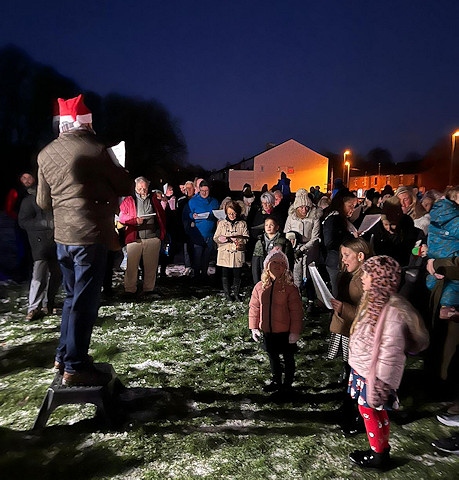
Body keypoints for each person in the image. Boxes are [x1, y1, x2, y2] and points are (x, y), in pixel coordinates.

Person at [37, 94, 133, 386]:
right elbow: (125, 184)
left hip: (63, 237)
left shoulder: (45, 153)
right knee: (85, 303)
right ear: (86, 125)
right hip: (90, 235)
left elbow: (43, 201)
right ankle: (75, 367)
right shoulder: (95, 150)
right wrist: (116, 163)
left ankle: (63, 355)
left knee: (71, 299)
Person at [347, 255, 429, 469]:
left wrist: (382, 382)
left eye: (367, 274)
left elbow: (389, 352)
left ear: (379, 279)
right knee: (376, 412)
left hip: (374, 376)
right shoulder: (373, 300)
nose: (362, 277)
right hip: (365, 369)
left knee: (369, 412)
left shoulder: (391, 312)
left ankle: (378, 455)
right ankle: (381, 449)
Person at [327, 237, 372, 434]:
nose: (343, 260)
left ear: (361, 256)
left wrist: (343, 308)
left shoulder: (366, 279)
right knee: (348, 371)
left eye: (347, 255)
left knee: (358, 376)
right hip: (346, 331)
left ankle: (358, 415)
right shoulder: (349, 274)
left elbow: (368, 314)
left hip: (358, 335)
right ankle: (347, 408)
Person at [249, 248, 303, 392]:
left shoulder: (290, 289)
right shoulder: (260, 287)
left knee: (288, 358)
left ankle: (287, 384)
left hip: (285, 332)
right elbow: (254, 308)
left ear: (286, 267)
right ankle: (276, 380)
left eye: (281, 263)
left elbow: (296, 312)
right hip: (268, 330)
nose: (277, 266)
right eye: (274, 262)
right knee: (273, 358)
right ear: (267, 266)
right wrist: (254, 327)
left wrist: (295, 332)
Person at [18, 179, 62, 320]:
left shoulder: (55, 200)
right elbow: (23, 221)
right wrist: (45, 223)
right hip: (40, 244)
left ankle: (48, 304)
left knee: (56, 275)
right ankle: (33, 308)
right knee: (39, 276)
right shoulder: (29, 201)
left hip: (56, 242)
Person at [119, 176, 166, 297]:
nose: (142, 191)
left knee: (151, 266)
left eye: (144, 189)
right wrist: (134, 221)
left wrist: (160, 233)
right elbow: (122, 218)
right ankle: (130, 289)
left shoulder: (153, 199)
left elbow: (161, 215)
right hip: (135, 238)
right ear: (135, 187)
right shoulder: (129, 200)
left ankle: (148, 289)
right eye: (140, 189)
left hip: (152, 238)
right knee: (132, 266)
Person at [283, 189, 321, 309]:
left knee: (309, 275)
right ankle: (296, 299)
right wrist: (292, 242)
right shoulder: (291, 217)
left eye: (306, 207)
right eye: (301, 207)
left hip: (309, 248)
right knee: (295, 275)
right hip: (295, 248)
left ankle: (311, 301)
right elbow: (286, 232)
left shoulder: (314, 218)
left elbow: (315, 237)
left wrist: (303, 248)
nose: (304, 210)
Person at [322, 190, 358, 296]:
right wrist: (351, 237)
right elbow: (329, 242)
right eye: (350, 206)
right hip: (335, 262)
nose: (352, 209)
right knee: (338, 292)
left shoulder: (341, 218)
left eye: (354, 206)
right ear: (341, 204)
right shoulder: (333, 218)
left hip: (340, 260)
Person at [213, 201, 249, 301]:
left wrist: (240, 241)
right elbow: (215, 237)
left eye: (233, 213)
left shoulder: (242, 224)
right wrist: (223, 239)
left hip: (237, 252)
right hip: (225, 252)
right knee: (225, 274)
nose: (232, 215)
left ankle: (236, 293)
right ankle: (227, 294)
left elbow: (247, 237)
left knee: (237, 274)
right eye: (229, 214)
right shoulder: (222, 224)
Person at [187, 180, 219, 280]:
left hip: (210, 234)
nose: (204, 193)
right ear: (199, 190)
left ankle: (204, 275)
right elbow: (187, 215)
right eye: (202, 191)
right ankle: (196, 276)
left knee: (207, 257)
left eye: (206, 190)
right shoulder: (193, 202)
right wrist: (192, 215)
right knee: (197, 256)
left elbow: (218, 214)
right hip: (198, 234)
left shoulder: (214, 202)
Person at [252, 215, 294, 284]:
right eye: (266, 225)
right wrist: (256, 281)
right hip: (264, 274)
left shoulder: (284, 242)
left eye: (271, 225)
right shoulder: (260, 242)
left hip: (278, 274)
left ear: (277, 227)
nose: (268, 227)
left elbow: (289, 260)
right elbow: (255, 262)